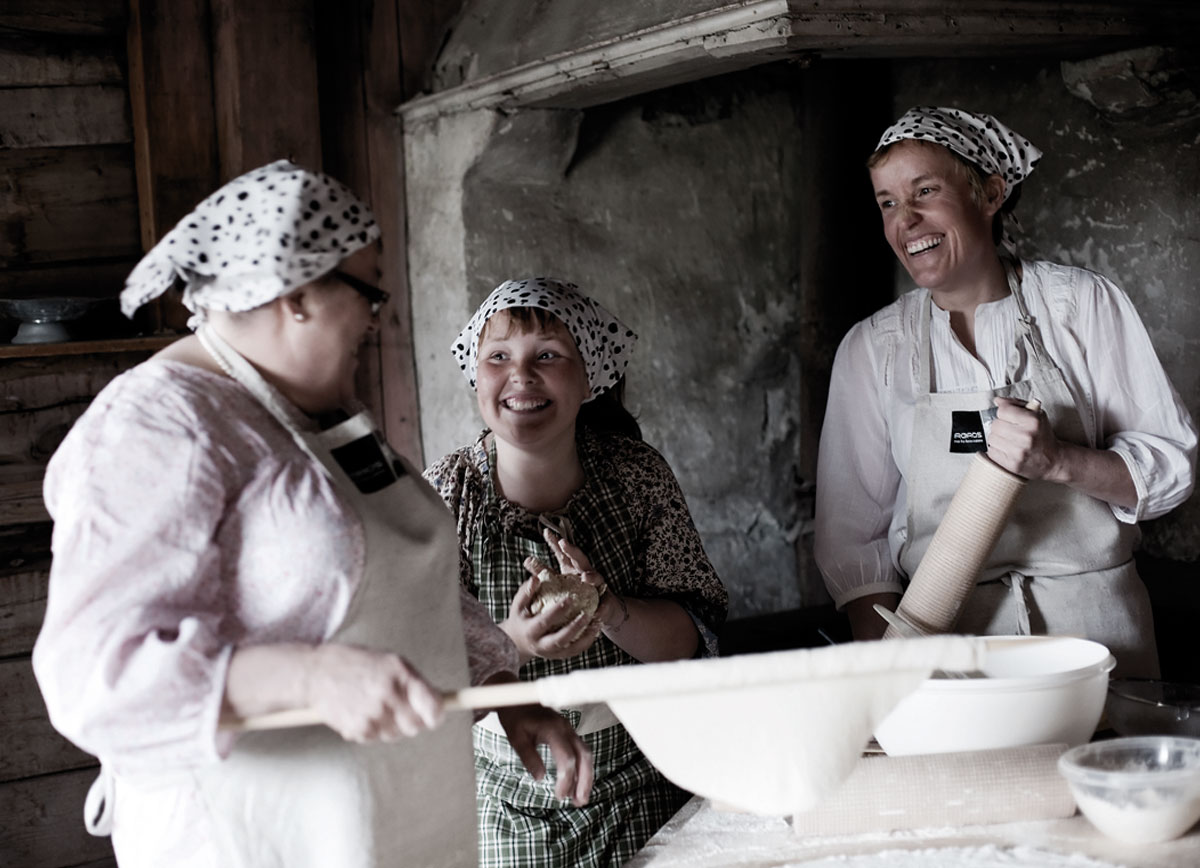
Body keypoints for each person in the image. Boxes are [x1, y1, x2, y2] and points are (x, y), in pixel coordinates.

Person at [32, 160, 591, 868]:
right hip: (258, 835)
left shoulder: (320, 413)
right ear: (296, 295)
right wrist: (310, 677)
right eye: (367, 290)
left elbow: (394, 578)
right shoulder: (159, 426)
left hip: (393, 811)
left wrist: (505, 692)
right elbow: (92, 674)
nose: (375, 314)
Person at [813, 106, 1197, 677]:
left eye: (925, 191)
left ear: (990, 194)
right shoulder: (874, 350)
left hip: (1096, 639)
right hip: (950, 646)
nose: (906, 220)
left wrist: (1061, 460)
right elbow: (854, 540)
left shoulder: (1080, 305)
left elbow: (1171, 465)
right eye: (888, 202)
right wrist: (891, 680)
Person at [423, 277, 728, 867]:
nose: (521, 376)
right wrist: (511, 646)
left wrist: (612, 609)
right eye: (499, 357)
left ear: (590, 376)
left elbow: (690, 639)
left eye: (548, 356)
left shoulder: (636, 477)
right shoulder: (445, 496)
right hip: (505, 793)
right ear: (474, 375)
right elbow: (430, 675)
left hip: (646, 773)